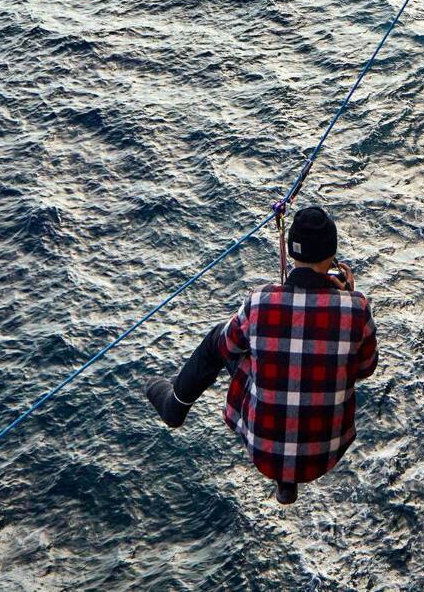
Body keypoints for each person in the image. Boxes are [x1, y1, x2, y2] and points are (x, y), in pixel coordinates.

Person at [145, 205, 377, 506]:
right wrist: (346, 298)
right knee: (308, 365)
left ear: (292, 254)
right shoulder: (356, 308)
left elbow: (226, 348)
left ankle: (175, 406)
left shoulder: (260, 302)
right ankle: (288, 482)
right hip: (325, 454)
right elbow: (365, 368)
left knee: (223, 336)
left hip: (264, 450)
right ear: (331, 257)